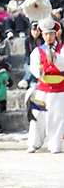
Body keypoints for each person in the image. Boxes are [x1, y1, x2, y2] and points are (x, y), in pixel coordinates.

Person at [27, 17, 64, 153]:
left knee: (57, 116)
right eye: (46, 34)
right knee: (36, 115)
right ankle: (34, 142)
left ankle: (55, 144)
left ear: (56, 34)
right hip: (42, 88)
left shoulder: (62, 49)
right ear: (42, 35)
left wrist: (55, 57)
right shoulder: (37, 51)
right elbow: (33, 67)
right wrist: (39, 70)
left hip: (59, 88)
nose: (48, 37)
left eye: (51, 34)